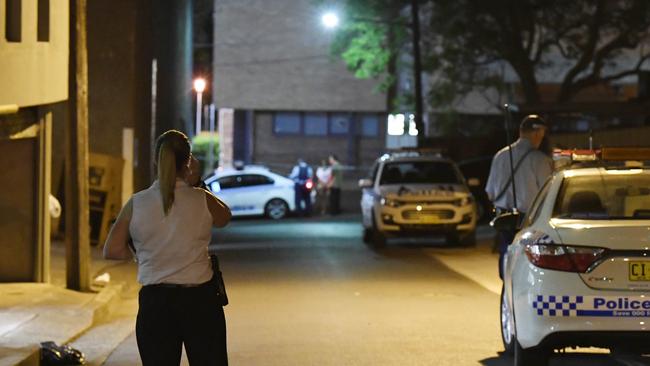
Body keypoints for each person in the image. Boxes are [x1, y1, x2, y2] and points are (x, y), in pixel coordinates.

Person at [103, 130, 231, 365]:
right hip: (200, 301)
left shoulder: (137, 203)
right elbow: (224, 217)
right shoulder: (202, 198)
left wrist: (143, 255)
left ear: (156, 159)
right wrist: (198, 183)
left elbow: (112, 249)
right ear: (189, 161)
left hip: (156, 303)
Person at [485, 115, 553, 279]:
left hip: (504, 219)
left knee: (506, 262)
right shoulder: (540, 160)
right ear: (536, 133)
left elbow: (490, 192)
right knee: (526, 264)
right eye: (542, 134)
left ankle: (507, 293)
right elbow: (547, 195)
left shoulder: (500, 156)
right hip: (529, 221)